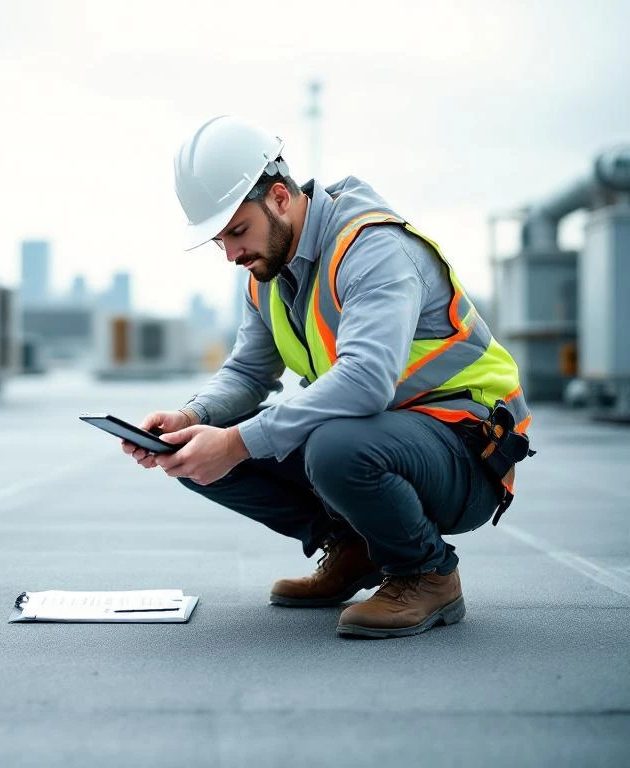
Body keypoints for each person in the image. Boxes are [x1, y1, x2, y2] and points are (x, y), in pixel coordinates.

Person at [122, 115, 533, 639]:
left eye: (236, 232)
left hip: (465, 449)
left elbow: (365, 381)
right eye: (218, 242)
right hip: (386, 435)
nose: (230, 254)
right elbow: (249, 372)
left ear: (278, 197)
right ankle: (355, 546)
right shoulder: (267, 275)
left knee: (329, 446)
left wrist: (236, 442)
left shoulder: (372, 248)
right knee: (195, 450)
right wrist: (192, 417)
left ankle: (428, 573)